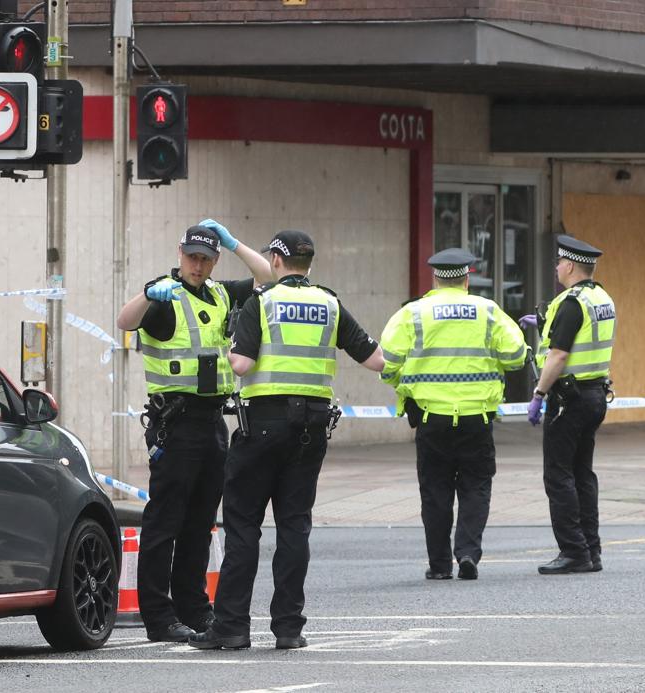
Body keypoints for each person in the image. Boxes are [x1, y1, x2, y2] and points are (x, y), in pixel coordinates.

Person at [190, 230, 385, 651]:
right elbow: (375, 360)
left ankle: (231, 627)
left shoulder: (263, 301)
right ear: (308, 264)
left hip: (262, 426)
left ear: (276, 261)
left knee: (243, 526)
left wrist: (225, 351)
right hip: (311, 431)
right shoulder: (330, 303)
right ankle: (289, 628)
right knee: (294, 527)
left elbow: (241, 364)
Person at [114, 219, 272, 643]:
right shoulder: (165, 296)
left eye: (205, 259)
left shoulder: (221, 294)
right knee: (166, 521)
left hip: (212, 422)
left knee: (201, 523)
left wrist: (236, 242)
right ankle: (159, 617)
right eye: (191, 258)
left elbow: (267, 276)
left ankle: (195, 609)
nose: (197, 266)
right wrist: (147, 294)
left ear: (214, 260)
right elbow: (124, 320)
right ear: (179, 255)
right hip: (176, 422)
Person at [379, 248, 528, 581]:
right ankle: (468, 553)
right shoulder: (488, 311)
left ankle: (440, 565)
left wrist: (401, 386)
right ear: (467, 278)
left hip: (432, 418)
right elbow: (517, 356)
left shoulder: (413, 313)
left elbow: (385, 362)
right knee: (476, 486)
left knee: (435, 491)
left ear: (435, 277)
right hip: (478, 418)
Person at [526, 234, 614, 575]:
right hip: (594, 395)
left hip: (568, 400)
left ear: (571, 266)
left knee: (559, 475)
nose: (557, 268)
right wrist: (545, 322)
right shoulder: (601, 297)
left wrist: (538, 394)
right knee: (582, 473)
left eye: (560, 263)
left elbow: (559, 354)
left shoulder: (571, 302)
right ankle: (591, 549)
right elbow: (577, 336)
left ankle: (573, 552)